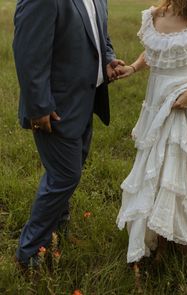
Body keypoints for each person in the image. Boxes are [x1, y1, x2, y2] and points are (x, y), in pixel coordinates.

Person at [13, 0, 124, 268]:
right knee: (64, 176)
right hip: (55, 108)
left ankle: (55, 233)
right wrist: (38, 107)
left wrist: (108, 59)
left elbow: (100, 37)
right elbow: (28, 54)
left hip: (85, 100)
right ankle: (27, 254)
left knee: (69, 171)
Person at [116, 0, 187, 264]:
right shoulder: (153, 16)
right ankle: (153, 231)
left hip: (183, 101)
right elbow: (152, 54)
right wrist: (131, 67)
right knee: (152, 164)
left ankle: (168, 241)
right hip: (155, 101)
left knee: (172, 168)